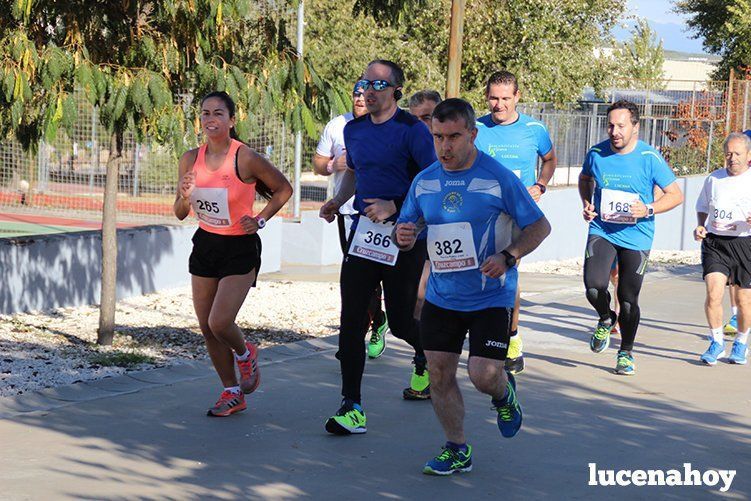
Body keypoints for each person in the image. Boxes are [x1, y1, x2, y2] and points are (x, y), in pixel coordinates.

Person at [396, 98, 550, 475]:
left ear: (472, 134)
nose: (445, 147)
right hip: (442, 295)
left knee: (483, 375)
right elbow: (409, 226)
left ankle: (504, 392)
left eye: (453, 137)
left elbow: (539, 227)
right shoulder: (425, 180)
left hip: (489, 296)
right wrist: (404, 234)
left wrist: (509, 256)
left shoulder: (498, 177)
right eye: (437, 137)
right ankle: (456, 447)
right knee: (439, 373)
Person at [319, 59, 437, 435]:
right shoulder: (353, 131)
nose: (368, 90)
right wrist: (338, 201)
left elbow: (431, 182)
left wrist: (396, 206)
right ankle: (351, 405)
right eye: (363, 82)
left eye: (377, 84)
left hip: (404, 238)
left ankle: (426, 354)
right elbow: (355, 173)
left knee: (402, 322)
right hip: (364, 235)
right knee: (352, 318)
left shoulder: (413, 131)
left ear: (395, 91)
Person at [174, 91, 292, 416]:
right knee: (206, 326)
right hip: (206, 244)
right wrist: (185, 196)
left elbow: (284, 188)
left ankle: (245, 352)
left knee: (220, 321)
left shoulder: (245, 158)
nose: (210, 119)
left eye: (218, 114)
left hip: (240, 245)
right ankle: (231, 392)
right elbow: (180, 212)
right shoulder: (189, 159)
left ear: (231, 120)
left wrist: (261, 219)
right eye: (205, 113)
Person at [579, 100, 684, 375]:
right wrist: (587, 203)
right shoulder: (596, 153)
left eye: (621, 126)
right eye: (610, 125)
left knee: (627, 297)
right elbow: (585, 178)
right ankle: (605, 318)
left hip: (637, 236)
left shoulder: (649, 158)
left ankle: (625, 352)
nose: (614, 132)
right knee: (593, 287)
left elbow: (676, 195)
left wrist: (648, 208)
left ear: (635, 127)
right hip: (602, 230)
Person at [474, 70, 557, 374]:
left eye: (506, 98)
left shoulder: (534, 129)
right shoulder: (477, 128)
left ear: (517, 97)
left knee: (508, 271)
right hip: (483, 211)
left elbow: (549, 159)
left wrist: (541, 185)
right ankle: (485, 332)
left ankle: (511, 338)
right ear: (487, 97)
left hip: (518, 213)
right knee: (480, 272)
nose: (499, 105)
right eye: (494, 98)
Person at [313, 81, 389, 360]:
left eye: (365, 94)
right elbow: (319, 164)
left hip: (379, 212)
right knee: (356, 277)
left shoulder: (387, 125)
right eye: (356, 94)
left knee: (374, 276)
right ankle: (365, 329)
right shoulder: (338, 126)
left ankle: (377, 324)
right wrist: (334, 165)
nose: (360, 98)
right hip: (347, 211)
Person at [694, 132, 751, 365]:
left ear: (748, 156)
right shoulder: (713, 179)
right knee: (713, 293)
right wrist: (699, 225)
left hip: (745, 243)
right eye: (728, 153)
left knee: (744, 300)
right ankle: (716, 342)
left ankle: (741, 341)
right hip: (716, 243)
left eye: (737, 154)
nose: (732, 158)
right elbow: (702, 206)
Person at [408, 90, 443, 320]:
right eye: (415, 119)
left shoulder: (457, 147)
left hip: (446, 228)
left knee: (429, 293)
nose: (421, 124)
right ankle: (422, 352)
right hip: (416, 231)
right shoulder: (407, 145)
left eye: (427, 117)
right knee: (417, 295)